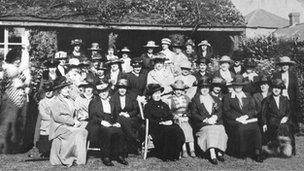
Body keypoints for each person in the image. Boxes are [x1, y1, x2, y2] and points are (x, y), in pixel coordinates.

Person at [49, 76, 88, 167]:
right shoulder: (54, 101)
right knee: (78, 132)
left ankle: (80, 159)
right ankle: (68, 158)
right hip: (58, 127)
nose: (68, 90)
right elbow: (57, 117)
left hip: (69, 125)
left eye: (68, 88)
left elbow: (73, 114)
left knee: (84, 131)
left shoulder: (70, 100)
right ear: (59, 90)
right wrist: (73, 122)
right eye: (65, 88)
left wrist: (79, 117)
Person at [222, 75, 263, 162]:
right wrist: (237, 118)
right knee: (241, 127)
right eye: (236, 85)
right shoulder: (228, 97)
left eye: (239, 85)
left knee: (255, 127)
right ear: (233, 86)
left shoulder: (247, 95)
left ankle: (257, 151)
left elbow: (252, 109)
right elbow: (226, 111)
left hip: (246, 118)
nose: (238, 87)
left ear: (242, 86)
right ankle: (242, 151)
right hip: (233, 120)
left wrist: (246, 116)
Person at [86, 82, 128, 166]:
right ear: (98, 93)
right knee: (107, 131)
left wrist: (117, 123)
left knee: (119, 131)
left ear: (108, 91)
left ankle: (118, 155)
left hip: (110, 123)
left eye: (105, 91)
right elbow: (92, 117)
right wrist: (102, 122)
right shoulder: (94, 102)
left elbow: (116, 115)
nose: (104, 93)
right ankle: (106, 156)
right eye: (101, 92)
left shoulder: (112, 102)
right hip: (97, 124)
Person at [190, 76, 228, 165]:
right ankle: (212, 153)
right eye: (202, 87)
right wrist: (205, 119)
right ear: (199, 88)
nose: (204, 90)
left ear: (209, 88)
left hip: (215, 121)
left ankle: (219, 151)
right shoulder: (195, 100)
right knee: (210, 130)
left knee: (220, 128)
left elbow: (220, 110)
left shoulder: (215, 98)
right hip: (202, 123)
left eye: (206, 87)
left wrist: (215, 117)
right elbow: (194, 114)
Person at [0, 47, 31, 154]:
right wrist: (24, 82)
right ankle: (4, 147)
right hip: (10, 99)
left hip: (20, 99)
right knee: (9, 122)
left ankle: (16, 146)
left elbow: (26, 81)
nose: (18, 60)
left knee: (19, 123)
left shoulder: (19, 70)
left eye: (19, 58)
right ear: (11, 59)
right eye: (16, 58)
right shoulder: (9, 68)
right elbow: (18, 75)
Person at [144, 83, 185, 161]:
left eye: (159, 93)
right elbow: (149, 119)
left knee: (177, 129)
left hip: (167, 124)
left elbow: (170, 115)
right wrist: (161, 122)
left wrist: (170, 121)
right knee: (168, 130)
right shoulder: (148, 106)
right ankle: (167, 155)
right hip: (156, 127)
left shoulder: (164, 105)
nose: (157, 95)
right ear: (151, 95)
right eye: (155, 94)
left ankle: (174, 154)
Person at [261, 78, 295, 157]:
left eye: (279, 88)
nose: (276, 90)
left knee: (287, 126)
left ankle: (287, 149)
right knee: (279, 127)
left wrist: (286, 117)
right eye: (275, 88)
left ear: (281, 90)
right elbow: (263, 113)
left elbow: (289, 111)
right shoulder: (266, 100)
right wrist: (264, 124)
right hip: (272, 120)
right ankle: (277, 148)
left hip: (284, 120)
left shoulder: (285, 99)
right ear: (272, 89)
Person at [111, 79, 141, 154]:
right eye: (120, 88)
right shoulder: (113, 97)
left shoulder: (131, 97)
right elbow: (112, 111)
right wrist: (119, 114)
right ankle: (134, 138)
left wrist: (128, 115)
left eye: (124, 88)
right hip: (118, 119)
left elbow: (136, 110)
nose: (122, 90)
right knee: (121, 119)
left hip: (131, 119)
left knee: (125, 120)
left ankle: (130, 143)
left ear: (126, 89)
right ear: (117, 89)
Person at [167, 80, 195, 158]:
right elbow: (169, 112)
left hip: (186, 118)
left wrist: (187, 116)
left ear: (183, 91)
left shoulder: (187, 98)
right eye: (176, 89)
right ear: (174, 90)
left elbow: (190, 109)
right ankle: (184, 149)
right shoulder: (170, 99)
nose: (178, 91)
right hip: (176, 119)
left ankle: (192, 149)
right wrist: (176, 116)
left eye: (180, 90)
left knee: (189, 128)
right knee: (182, 128)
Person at [272, 56, 300, 134]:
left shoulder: (293, 75)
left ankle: (293, 129)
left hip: (291, 97)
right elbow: (274, 87)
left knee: (291, 112)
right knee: (282, 113)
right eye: (283, 65)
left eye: (286, 65)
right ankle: (281, 130)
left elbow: (296, 88)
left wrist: (297, 99)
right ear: (280, 66)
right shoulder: (276, 75)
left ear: (289, 66)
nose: (284, 66)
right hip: (280, 97)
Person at [35, 81, 54, 158]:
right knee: (45, 136)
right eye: (47, 91)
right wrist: (51, 117)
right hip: (46, 122)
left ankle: (53, 151)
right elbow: (43, 114)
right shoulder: (42, 102)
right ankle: (45, 152)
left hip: (54, 122)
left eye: (50, 91)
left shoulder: (56, 100)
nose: (48, 93)